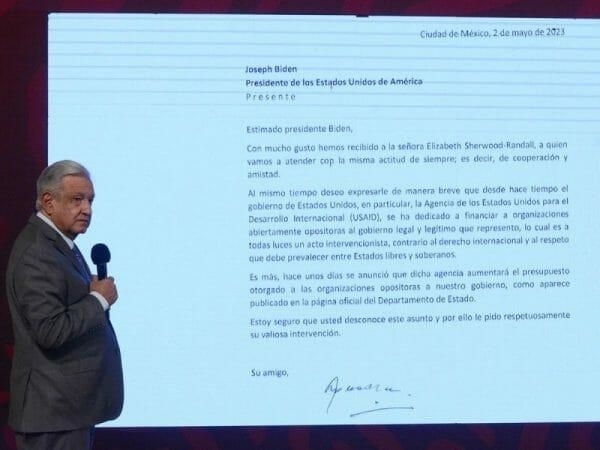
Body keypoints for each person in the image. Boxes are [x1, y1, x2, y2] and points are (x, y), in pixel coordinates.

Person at [5, 160, 123, 450]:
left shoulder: (57, 243)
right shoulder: (37, 252)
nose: (87, 209)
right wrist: (98, 300)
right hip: (53, 416)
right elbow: (50, 330)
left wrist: (88, 293)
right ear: (48, 202)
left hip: (67, 412)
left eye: (90, 200)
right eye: (77, 199)